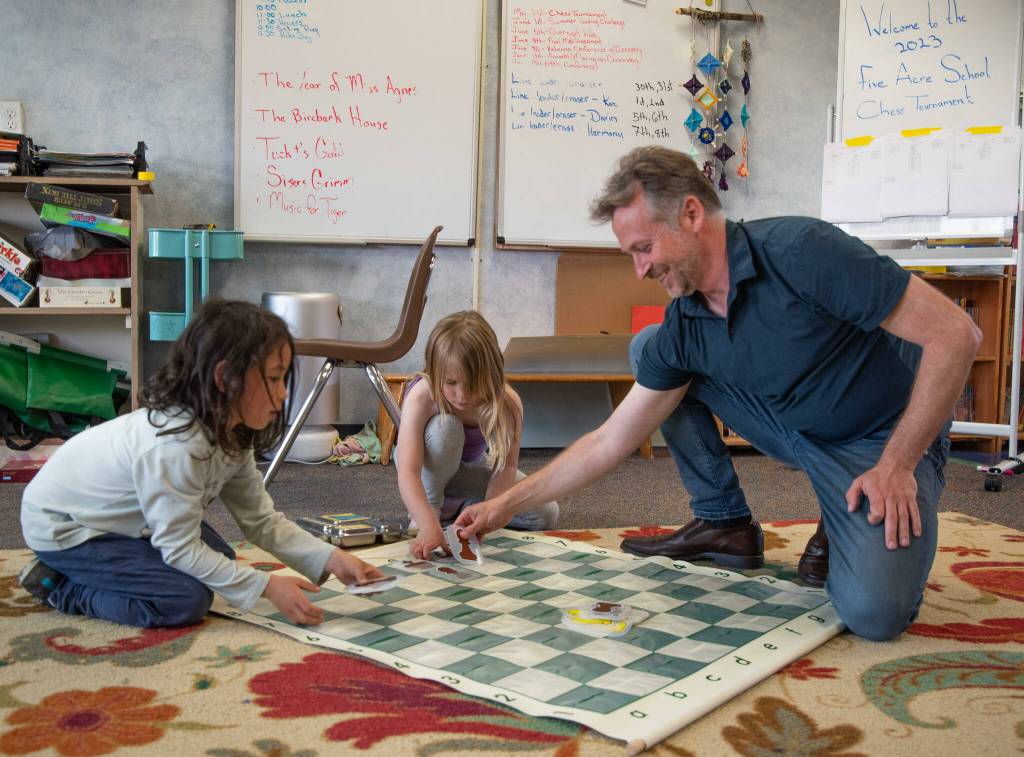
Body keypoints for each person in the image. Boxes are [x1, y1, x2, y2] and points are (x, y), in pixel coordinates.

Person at [455, 146, 980, 641]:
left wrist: (898, 464)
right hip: (789, 425)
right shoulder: (686, 320)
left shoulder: (803, 252)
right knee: (651, 349)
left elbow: (957, 334)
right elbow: (609, 440)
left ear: (690, 214)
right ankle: (725, 522)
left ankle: (845, 509)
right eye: (630, 255)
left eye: (644, 248)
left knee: (874, 613)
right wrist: (505, 504)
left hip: (878, 439)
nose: (640, 270)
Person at [18, 299, 383, 628]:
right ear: (224, 378)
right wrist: (267, 586)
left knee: (219, 560)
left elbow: (260, 521)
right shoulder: (175, 447)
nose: (285, 393)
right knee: (185, 599)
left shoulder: (231, 431)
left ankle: (92, 571)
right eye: (274, 379)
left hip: (127, 519)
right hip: (66, 526)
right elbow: (178, 549)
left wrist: (333, 559)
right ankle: (62, 587)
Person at [396, 310, 558, 560]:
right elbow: (408, 469)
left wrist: (488, 514)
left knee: (546, 512)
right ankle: (431, 509)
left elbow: (506, 466)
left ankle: (460, 508)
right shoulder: (422, 396)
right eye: (451, 383)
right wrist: (427, 522)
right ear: (435, 373)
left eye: (473, 384)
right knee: (446, 429)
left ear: (491, 374)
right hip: (426, 470)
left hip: (468, 469)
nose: (462, 396)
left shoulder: (508, 403)